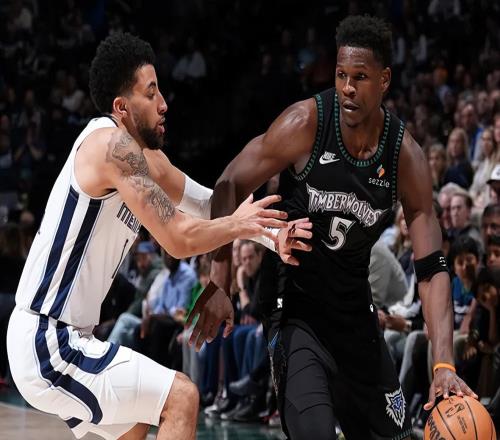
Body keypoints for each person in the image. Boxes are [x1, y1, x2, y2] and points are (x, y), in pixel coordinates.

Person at [6, 32, 306, 440]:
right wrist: (242, 226)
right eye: (150, 93)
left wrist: (275, 235)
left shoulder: (145, 159)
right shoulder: (111, 148)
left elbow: (207, 205)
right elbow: (179, 238)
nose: (164, 103)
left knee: (135, 425)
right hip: (48, 338)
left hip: (62, 337)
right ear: (122, 108)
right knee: (181, 396)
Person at [187, 15, 476, 439]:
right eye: (341, 75)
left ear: (385, 80)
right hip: (294, 305)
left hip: (354, 310)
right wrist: (219, 280)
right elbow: (228, 183)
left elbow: (432, 269)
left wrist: (444, 364)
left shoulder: (406, 158)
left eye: (360, 77)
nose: (347, 88)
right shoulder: (305, 124)